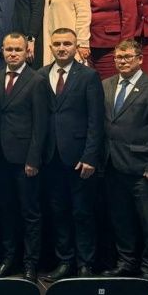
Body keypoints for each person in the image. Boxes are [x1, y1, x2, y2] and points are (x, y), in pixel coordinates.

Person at [101, 39, 148, 286]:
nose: (122, 62)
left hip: (143, 168)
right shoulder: (106, 85)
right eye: (119, 58)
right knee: (121, 219)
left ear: (140, 59)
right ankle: (126, 263)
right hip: (112, 165)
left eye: (127, 57)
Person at [40, 27, 105, 281]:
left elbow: (96, 120)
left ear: (76, 46)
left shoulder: (88, 76)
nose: (62, 48)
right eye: (57, 44)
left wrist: (90, 156)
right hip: (51, 156)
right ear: (50, 47)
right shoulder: (42, 74)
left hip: (79, 157)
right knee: (59, 212)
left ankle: (85, 264)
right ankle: (65, 261)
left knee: (82, 213)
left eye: (67, 43)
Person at [0, 32, 50, 282]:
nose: (13, 54)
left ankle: (30, 263)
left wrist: (33, 159)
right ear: (2, 50)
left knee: (30, 213)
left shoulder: (36, 80)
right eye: (9, 49)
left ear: (27, 52)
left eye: (18, 49)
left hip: (25, 159)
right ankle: (8, 259)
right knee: (5, 211)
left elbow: (41, 124)